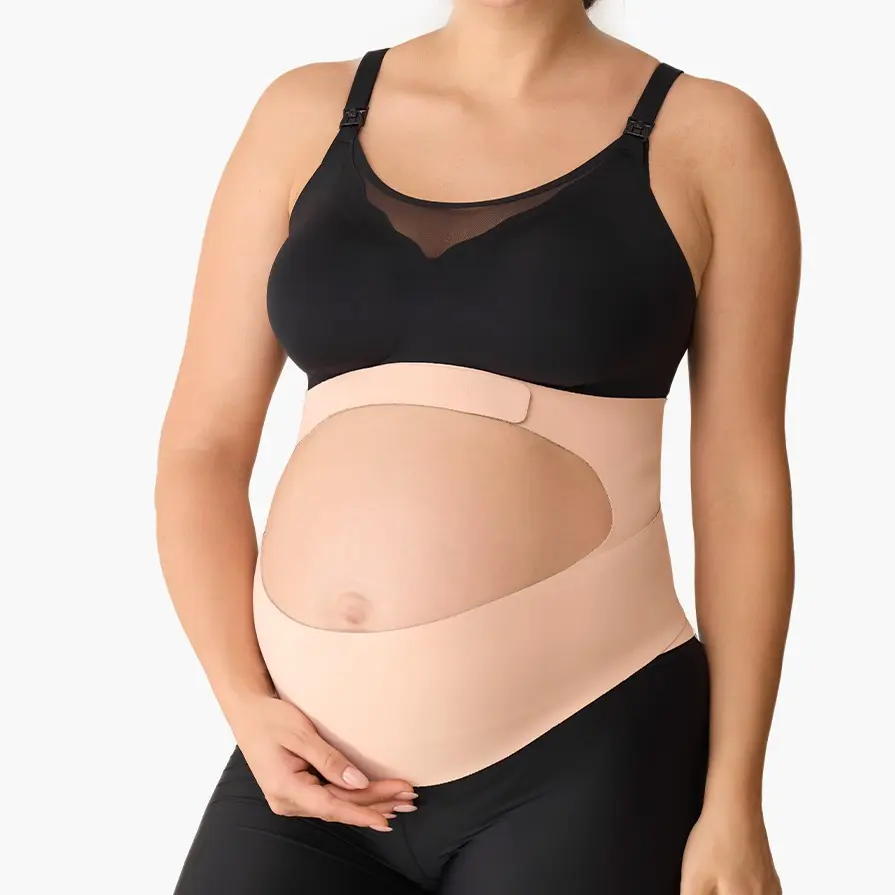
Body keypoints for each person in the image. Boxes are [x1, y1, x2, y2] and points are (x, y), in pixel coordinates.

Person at [155, 1, 800, 892]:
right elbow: (201, 449)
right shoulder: (303, 113)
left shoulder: (707, 134)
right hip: (306, 758)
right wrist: (242, 701)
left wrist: (733, 798)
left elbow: (740, 485)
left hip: (585, 752)